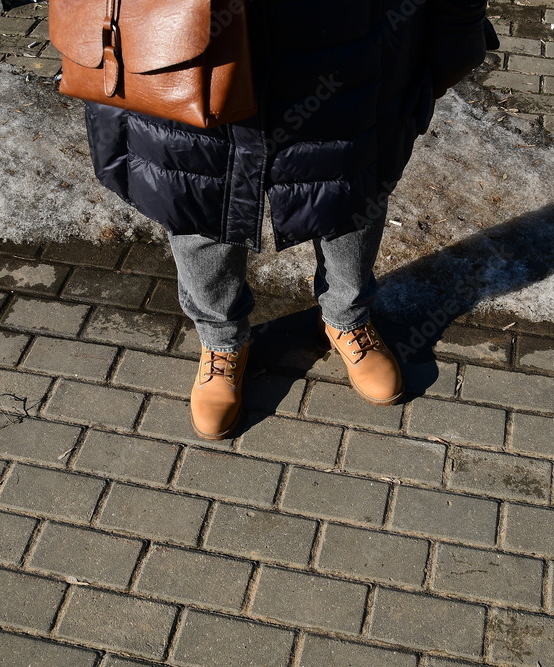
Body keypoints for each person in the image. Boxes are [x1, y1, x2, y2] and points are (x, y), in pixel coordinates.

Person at [84, 0, 497, 440]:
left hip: (349, 37)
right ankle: (221, 340)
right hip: (184, 32)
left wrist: (458, 26)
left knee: (350, 187)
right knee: (198, 195)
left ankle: (347, 317)